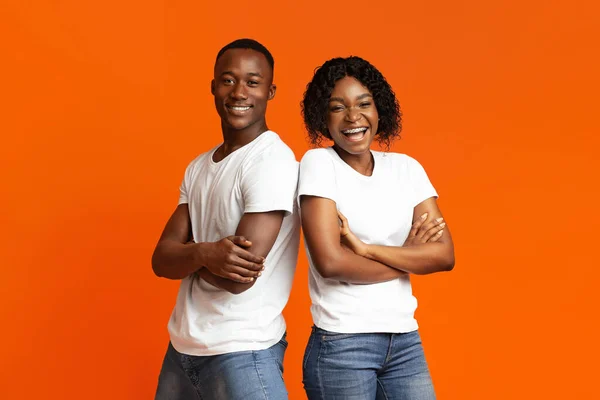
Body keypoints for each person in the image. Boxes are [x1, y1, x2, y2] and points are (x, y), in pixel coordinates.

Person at [298, 56, 455, 399]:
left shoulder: (406, 169)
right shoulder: (319, 164)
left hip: (404, 340)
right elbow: (331, 263)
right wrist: (409, 257)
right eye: (337, 107)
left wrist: (366, 250)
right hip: (342, 344)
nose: (353, 117)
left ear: (379, 109)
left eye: (364, 104)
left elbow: (443, 255)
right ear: (322, 118)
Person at [151, 38, 300, 400]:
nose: (238, 92)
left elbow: (237, 279)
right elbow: (159, 259)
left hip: (242, 350)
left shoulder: (271, 161)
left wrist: (187, 254)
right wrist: (204, 254)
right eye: (228, 80)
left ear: (270, 90)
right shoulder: (199, 167)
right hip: (182, 349)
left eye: (252, 82)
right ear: (213, 86)